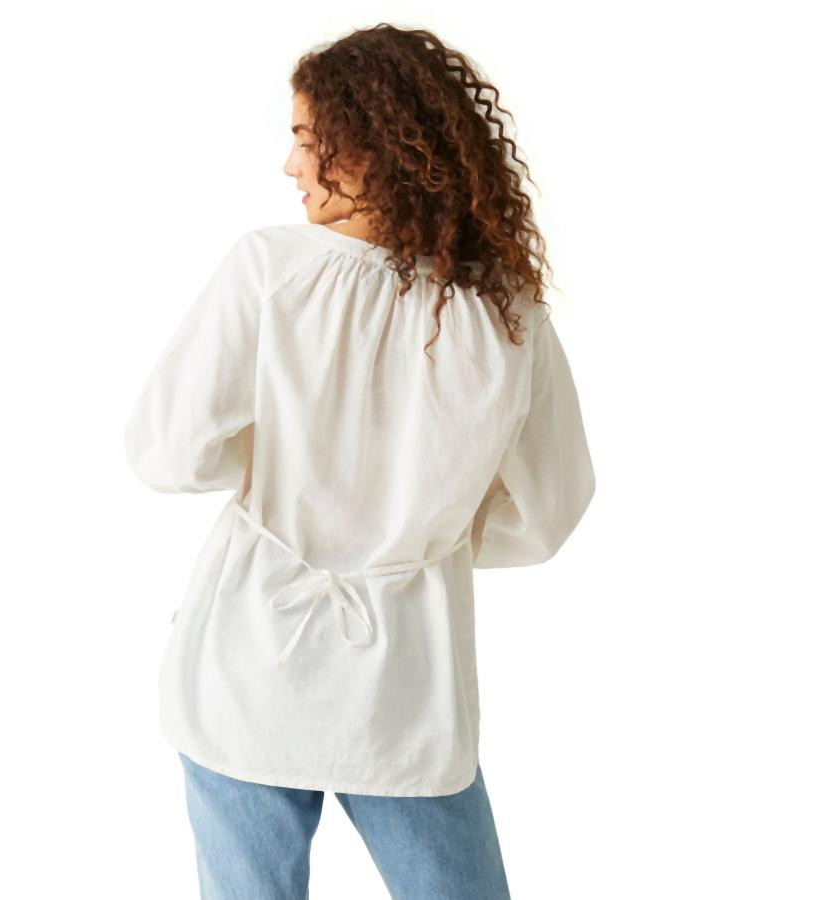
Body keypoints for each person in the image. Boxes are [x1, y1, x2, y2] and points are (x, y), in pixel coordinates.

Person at [123, 22, 596, 900]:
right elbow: (551, 510)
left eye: (308, 140)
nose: (290, 165)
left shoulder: (271, 270)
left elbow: (164, 450)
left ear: (374, 144)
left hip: (245, 662)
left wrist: (275, 465)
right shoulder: (509, 316)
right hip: (407, 688)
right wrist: (422, 533)